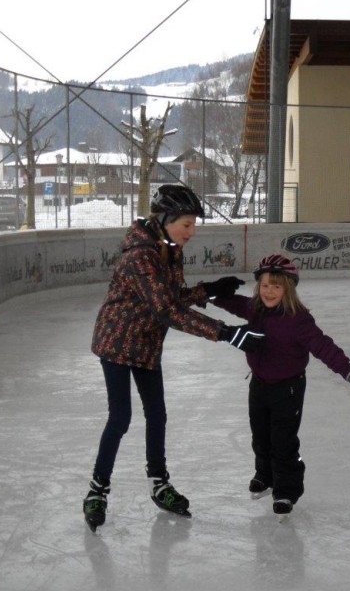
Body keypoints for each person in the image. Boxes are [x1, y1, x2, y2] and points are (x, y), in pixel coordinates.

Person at [83, 184, 263, 532]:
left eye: (194, 224)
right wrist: (228, 333)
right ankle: (97, 490)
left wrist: (210, 290)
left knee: (157, 415)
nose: (192, 232)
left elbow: (174, 297)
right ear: (165, 220)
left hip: (147, 344)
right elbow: (166, 310)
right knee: (120, 417)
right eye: (186, 224)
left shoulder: (170, 250)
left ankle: (159, 482)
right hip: (117, 343)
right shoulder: (139, 256)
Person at [209, 254, 350, 520]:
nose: (269, 291)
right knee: (260, 435)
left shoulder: (298, 319)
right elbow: (229, 302)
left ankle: (287, 489)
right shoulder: (254, 308)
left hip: (288, 389)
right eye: (265, 285)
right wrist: (209, 292)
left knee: (283, 441)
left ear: (288, 288)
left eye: (276, 286)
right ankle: (264, 475)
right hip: (259, 384)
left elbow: (324, 347)